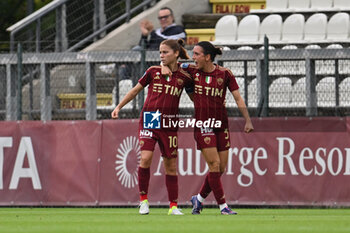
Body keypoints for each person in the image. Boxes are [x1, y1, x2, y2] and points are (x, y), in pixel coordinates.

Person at [162, 41, 254, 215]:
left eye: (197, 54)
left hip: (221, 125)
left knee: (220, 169)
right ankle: (223, 207)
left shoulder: (225, 74)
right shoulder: (192, 70)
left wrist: (247, 120)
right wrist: (163, 65)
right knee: (214, 164)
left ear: (207, 57)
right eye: (193, 54)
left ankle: (199, 199)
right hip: (203, 125)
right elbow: (171, 61)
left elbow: (238, 98)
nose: (193, 57)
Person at [111, 39, 193, 215]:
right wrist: (119, 107)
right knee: (146, 158)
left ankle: (173, 206)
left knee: (170, 165)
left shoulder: (185, 77)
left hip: (170, 122)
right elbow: (135, 90)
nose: (161, 56)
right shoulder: (153, 71)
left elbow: (195, 98)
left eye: (165, 52)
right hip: (151, 118)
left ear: (176, 54)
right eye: (160, 53)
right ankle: (143, 201)